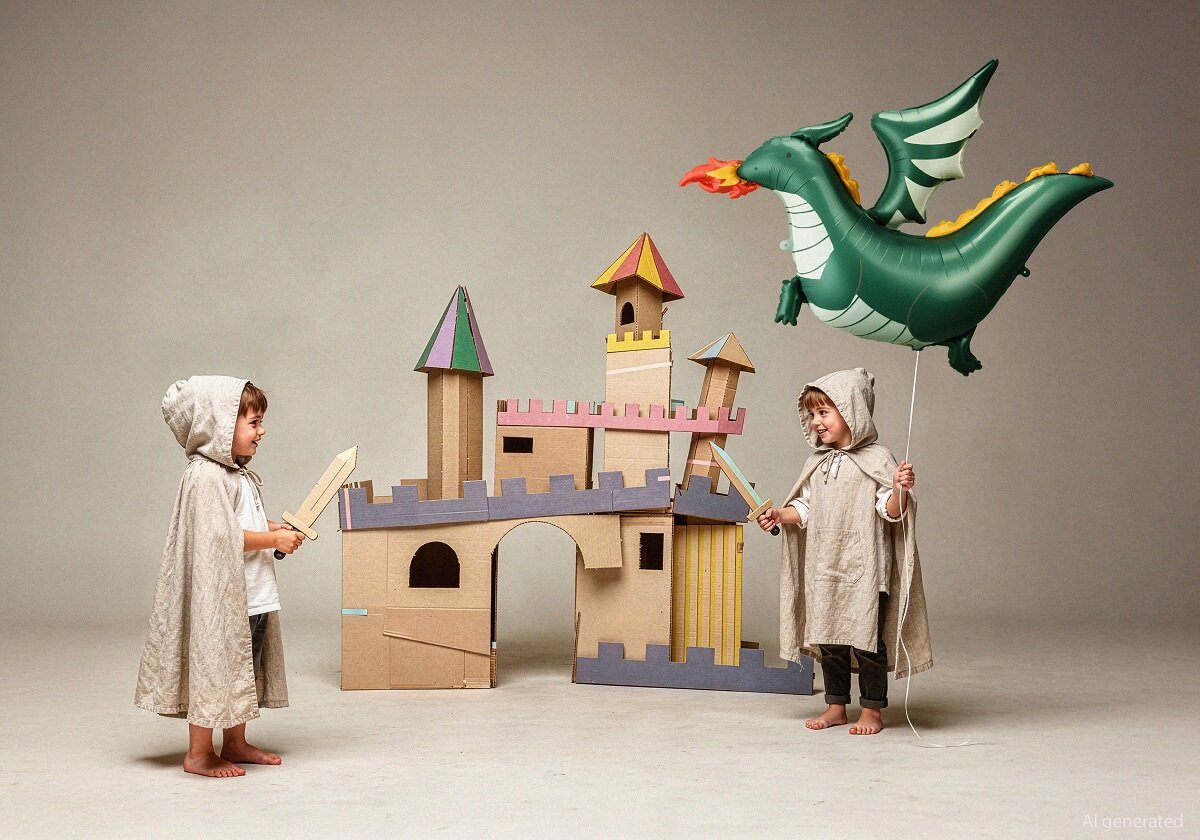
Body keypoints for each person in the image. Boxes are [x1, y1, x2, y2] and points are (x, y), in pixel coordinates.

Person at [135, 376, 304, 777]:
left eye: (261, 422)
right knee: (214, 667)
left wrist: (274, 527)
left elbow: (240, 523)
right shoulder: (206, 475)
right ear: (220, 425)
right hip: (224, 598)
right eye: (253, 423)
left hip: (253, 594)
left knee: (242, 669)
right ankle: (198, 752)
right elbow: (219, 536)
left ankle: (235, 742)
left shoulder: (236, 474)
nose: (261, 431)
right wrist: (272, 539)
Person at [756, 368, 932, 735]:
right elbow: (805, 509)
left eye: (824, 412)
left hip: (866, 571)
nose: (816, 422)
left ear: (852, 411)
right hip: (824, 568)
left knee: (867, 643)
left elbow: (891, 512)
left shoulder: (878, 459)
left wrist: (899, 489)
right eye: (812, 414)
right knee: (829, 641)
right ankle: (836, 706)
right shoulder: (817, 463)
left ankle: (872, 711)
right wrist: (780, 515)